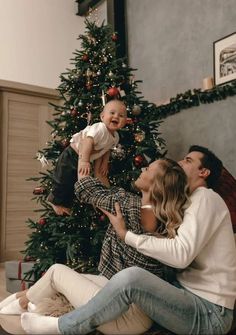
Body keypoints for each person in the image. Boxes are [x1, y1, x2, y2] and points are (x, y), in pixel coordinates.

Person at [18, 145, 236, 335]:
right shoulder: (183, 205)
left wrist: (126, 236)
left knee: (131, 277)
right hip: (185, 297)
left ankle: (65, 327)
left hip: (210, 312)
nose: (179, 162)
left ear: (204, 172)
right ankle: (22, 302)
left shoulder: (206, 198)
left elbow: (180, 255)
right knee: (91, 280)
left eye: (188, 160)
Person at [0, 158, 190, 335]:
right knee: (72, 279)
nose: (143, 168)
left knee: (57, 272)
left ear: (156, 184)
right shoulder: (163, 217)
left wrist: (83, 156)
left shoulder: (129, 205)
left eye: (148, 169)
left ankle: (19, 304)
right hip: (138, 310)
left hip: (124, 316)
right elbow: (108, 194)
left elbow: (86, 190)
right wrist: (102, 176)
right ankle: (21, 298)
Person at [48, 99, 127, 215]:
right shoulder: (100, 128)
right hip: (72, 154)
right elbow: (87, 142)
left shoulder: (115, 137)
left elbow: (107, 150)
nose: (116, 116)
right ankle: (54, 200)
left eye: (121, 115)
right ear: (102, 116)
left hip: (82, 157)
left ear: (125, 121)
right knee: (63, 178)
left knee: (72, 182)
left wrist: (104, 163)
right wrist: (84, 161)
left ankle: (65, 204)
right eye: (112, 113)